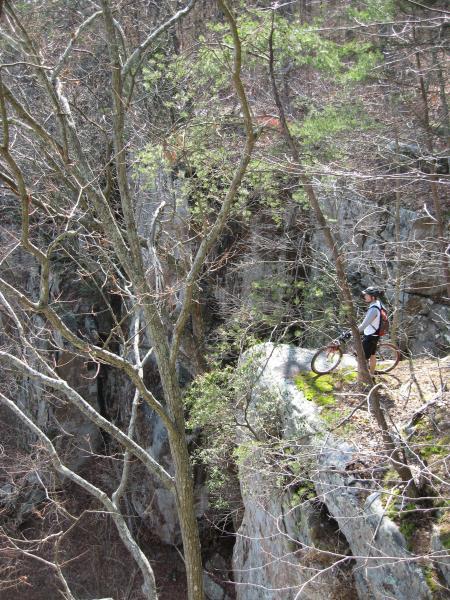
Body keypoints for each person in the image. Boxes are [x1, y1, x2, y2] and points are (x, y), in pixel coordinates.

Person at [358, 286, 385, 375]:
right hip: (375, 334)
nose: (365, 296)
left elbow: (363, 326)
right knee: (372, 355)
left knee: (361, 359)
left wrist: (351, 333)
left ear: (372, 297)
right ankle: (371, 374)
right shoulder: (378, 303)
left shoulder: (373, 309)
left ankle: (363, 378)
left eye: (366, 295)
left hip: (370, 336)